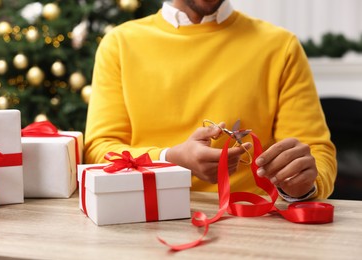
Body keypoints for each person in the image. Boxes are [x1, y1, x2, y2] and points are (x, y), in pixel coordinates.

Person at [84, 0, 337, 201]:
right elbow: (99, 151)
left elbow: (316, 152)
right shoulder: (119, 44)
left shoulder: (281, 46)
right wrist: (170, 158)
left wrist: (303, 187)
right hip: (143, 217)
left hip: (252, 223)